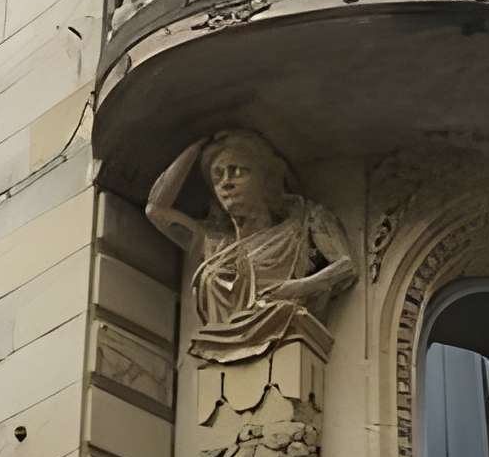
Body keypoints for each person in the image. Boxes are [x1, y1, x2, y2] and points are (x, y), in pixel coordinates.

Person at [146, 129, 355, 364]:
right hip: (220, 342)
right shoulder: (214, 244)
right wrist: (194, 147)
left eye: (238, 171)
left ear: (266, 180)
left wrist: (299, 287)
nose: (226, 183)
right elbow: (156, 210)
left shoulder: (303, 223)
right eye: (218, 176)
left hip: (281, 328)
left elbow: (346, 266)